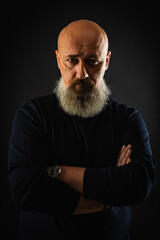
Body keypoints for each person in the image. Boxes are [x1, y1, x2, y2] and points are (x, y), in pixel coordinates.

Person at [8, 19, 156, 240]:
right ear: (58, 60)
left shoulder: (127, 119)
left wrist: (56, 172)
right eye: (72, 60)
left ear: (106, 61)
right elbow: (26, 190)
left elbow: (138, 184)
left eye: (92, 61)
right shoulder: (32, 115)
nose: (82, 73)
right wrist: (107, 197)